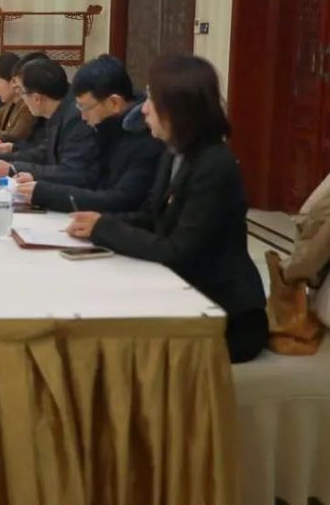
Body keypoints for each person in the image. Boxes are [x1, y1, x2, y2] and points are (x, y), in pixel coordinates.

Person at [67, 54, 268, 363]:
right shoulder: (174, 151)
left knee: (108, 346)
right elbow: (151, 216)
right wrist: (98, 223)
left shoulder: (214, 165)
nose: (143, 108)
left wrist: (105, 229)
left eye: (152, 100)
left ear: (178, 109)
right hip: (183, 291)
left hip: (224, 313)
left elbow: (177, 251)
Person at [16, 55, 163, 212]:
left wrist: (44, 193)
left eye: (85, 107)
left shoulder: (144, 139)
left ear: (114, 103)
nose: (83, 117)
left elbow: (119, 200)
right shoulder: (107, 128)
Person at [0, 57, 99, 188]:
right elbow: (43, 153)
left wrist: (14, 168)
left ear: (37, 98)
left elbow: (71, 172)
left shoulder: (76, 118)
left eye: (22, 92)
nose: (21, 99)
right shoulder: (59, 112)